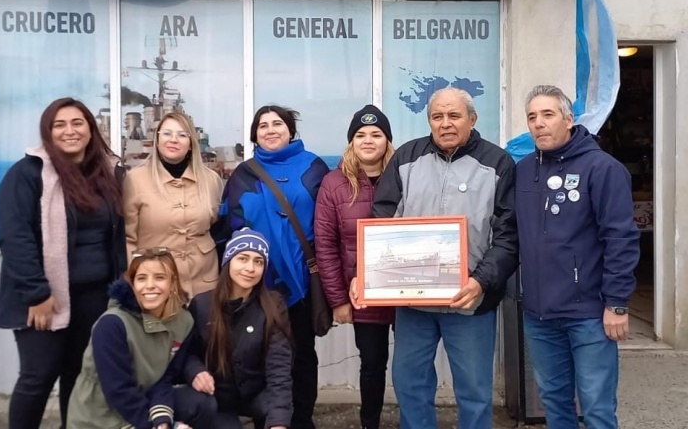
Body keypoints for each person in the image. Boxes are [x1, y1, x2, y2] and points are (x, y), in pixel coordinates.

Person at [368, 87, 518, 429]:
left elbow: (509, 236)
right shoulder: (406, 158)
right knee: (410, 385)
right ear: (429, 121)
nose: (445, 124)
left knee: (475, 391)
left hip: (469, 301)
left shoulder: (498, 164)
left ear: (472, 119)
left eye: (454, 116)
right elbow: (382, 220)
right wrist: (376, 273)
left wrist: (481, 281)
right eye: (437, 116)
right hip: (414, 305)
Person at [0, 97, 127, 429]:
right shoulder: (28, 173)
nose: (70, 131)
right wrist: (37, 294)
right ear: (48, 132)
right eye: (60, 125)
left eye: (78, 123)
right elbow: (15, 237)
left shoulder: (108, 173)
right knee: (38, 377)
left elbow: (117, 236)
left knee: (81, 375)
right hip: (44, 298)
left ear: (90, 129)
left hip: (96, 296)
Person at [516, 85, 640, 429]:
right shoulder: (524, 170)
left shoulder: (603, 168)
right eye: (532, 117)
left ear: (569, 119)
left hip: (588, 312)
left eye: (548, 114)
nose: (539, 123)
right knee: (554, 401)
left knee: (597, 405)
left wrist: (616, 303)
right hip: (539, 314)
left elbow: (621, 238)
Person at [218, 105, 329, 429]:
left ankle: (302, 419)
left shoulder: (314, 168)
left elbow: (327, 222)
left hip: (302, 284)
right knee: (262, 354)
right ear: (254, 134)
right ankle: (271, 417)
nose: (270, 130)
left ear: (290, 131)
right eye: (262, 125)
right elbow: (229, 225)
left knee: (303, 355)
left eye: (277, 124)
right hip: (255, 283)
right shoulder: (243, 174)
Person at [314, 105, 395, 429]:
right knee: (372, 364)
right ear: (351, 142)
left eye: (376, 134)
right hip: (362, 295)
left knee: (411, 365)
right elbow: (326, 246)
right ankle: (370, 423)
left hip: (408, 292)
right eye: (360, 135)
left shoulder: (404, 176)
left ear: (387, 141)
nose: (368, 140)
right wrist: (338, 300)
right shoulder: (334, 184)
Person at [67, 248, 203, 429]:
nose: (150, 285)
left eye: (160, 277)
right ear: (132, 284)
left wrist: (162, 421)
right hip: (100, 417)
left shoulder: (183, 322)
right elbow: (118, 390)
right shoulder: (112, 324)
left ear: (173, 283)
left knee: (201, 403)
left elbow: (165, 377)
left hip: (143, 401)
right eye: (141, 278)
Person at [178, 228, 293, 429]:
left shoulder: (273, 305)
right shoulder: (203, 304)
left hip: (257, 394)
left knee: (278, 410)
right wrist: (195, 372)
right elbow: (187, 353)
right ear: (228, 261)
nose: (250, 268)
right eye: (243, 258)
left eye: (258, 261)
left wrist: (279, 423)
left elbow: (279, 365)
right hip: (218, 398)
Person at [124, 111, 224, 297]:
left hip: (204, 282)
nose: (174, 140)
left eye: (182, 135)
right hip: (156, 285)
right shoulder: (135, 180)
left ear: (191, 142)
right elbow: (129, 238)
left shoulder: (211, 180)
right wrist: (135, 280)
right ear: (157, 139)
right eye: (167, 133)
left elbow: (217, 226)